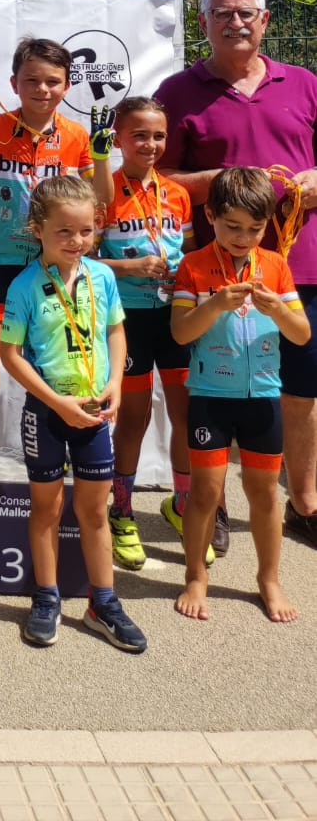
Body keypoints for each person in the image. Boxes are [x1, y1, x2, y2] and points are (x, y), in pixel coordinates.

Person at [157, 0, 317, 553]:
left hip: (301, 267)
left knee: (300, 392)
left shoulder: (304, 84)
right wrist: (216, 181)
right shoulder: (176, 94)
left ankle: (304, 505)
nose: (236, 21)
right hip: (215, 274)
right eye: (223, 13)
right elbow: (159, 180)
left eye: (246, 12)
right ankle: (210, 504)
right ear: (203, 24)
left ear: (265, 20)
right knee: (213, 389)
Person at [0, 37, 114, 471]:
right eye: (32, 80)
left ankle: (75, 423)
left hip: (58, 259)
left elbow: (101, 202)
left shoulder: (76, 135)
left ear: (67, 85)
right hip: (5, 255)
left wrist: (99, 156)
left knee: (60, 343)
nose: (42, 89)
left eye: (53, 82)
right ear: (14, 83)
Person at [0, 175, 146, 653]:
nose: (77, 241)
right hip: (47, 412)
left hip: (96, 412)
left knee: (94, 511)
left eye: (86, 231)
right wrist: (57, 402)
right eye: (64, 232)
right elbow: (11, 355)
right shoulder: (23, 285)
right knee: (46, 509)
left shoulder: (102, 276)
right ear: (38, 229)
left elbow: (116, 332)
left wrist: (116, 384)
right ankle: (46, 598)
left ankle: (103, 602)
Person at [171, 167, 310, 624]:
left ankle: (268, 579)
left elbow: (302, 334)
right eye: (232, 226)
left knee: (265, 494)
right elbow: (179, 332)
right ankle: (196, 576)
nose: (243, 238)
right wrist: (213, 304)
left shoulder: (274, 264)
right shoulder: (193, 266)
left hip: (263, 398)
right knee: (205, 492)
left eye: (254, 229)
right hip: (211, 395)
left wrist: (277, 308)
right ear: (209, 215)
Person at [96, 97, 196, 572]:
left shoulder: (176, 194)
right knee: (133, 419)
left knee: (185, 411)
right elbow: (81, 256)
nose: (150, 145)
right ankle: (122, 511)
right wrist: (130, 266)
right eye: (139, 135)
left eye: (158, 136)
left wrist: (187, 278)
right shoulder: (105, 190)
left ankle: (182, 504)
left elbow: (190, 250)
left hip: (173, 316)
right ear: (117, 139)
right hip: (129, 318)